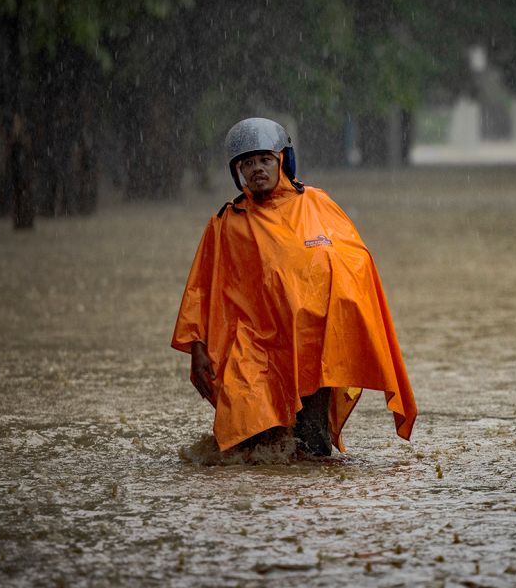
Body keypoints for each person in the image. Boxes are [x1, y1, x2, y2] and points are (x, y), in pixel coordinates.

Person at [171, 117, 417, 458]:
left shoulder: (318, 203)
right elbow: (202, 288)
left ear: (282, 160)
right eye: (247, 163)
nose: (257, 169)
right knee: (246, 436)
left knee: (311, 447)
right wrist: (198, 348)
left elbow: (355, 261)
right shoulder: (226, 223)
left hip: (315, 348)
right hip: (255, 347)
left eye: (264, 160)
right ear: (237, 171)